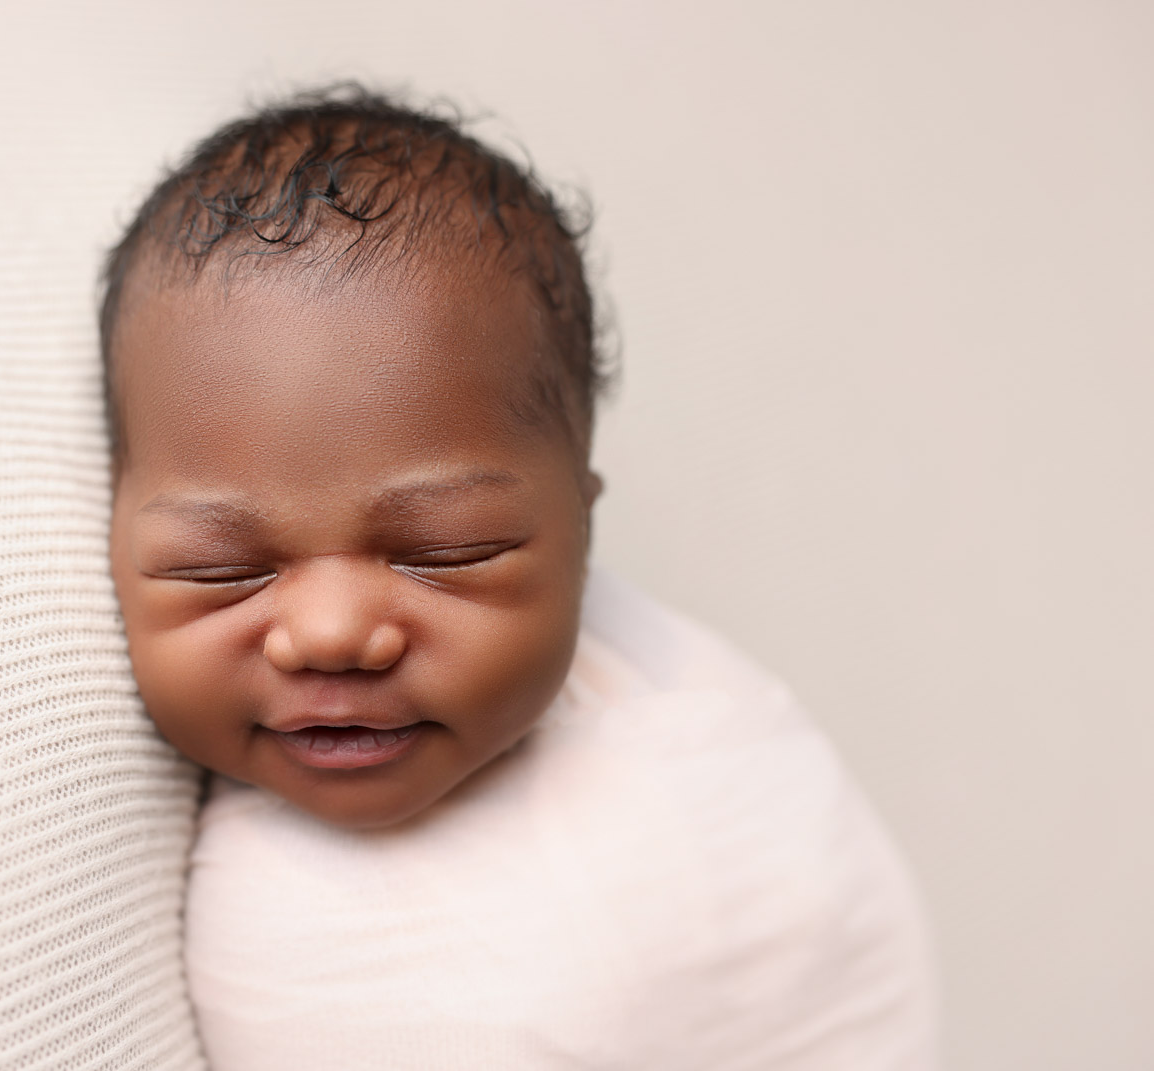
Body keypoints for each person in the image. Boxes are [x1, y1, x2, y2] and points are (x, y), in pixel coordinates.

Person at [101, 85, 938, 1069]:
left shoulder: (695, 755)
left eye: (447, 553)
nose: (328, 631)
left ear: (582, 525)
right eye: (223, 570)